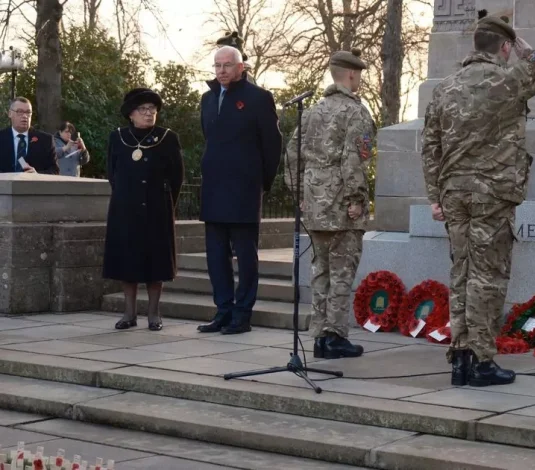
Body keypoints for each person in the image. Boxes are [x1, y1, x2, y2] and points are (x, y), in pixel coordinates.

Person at [421, 11, 535, 387]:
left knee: (461, 273)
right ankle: (482, 361)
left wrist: (434, 195)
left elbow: (429, 146)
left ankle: (459, 358)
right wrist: (524, 50)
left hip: (455, 193)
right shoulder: (509, 79)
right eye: (509, 46)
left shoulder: (445, 87)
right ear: (504, 47)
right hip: (492, 193)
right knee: (487, 277)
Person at [284, 49, 375, 359]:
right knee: (341, 273)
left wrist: (300, 194)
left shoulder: (311, 112)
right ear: (350, 74)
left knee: (320, 272)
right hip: (341, 208)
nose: (359, 79)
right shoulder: (355, 112)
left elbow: (292, 155)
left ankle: (320, 336)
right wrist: (357, 199)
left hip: (315, 208)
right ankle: (334, 336)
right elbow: (355, 160)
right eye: (358, 74)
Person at [196, 46, 282, 335]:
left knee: (245, 257)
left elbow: (272, 145)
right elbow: (209, 139)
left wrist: (261, 184)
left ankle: (242, 314)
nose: (221, 71)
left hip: (244, 190)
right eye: (217, 65)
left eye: (227, 65)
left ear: (240, 67)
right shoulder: (207, 99)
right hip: (214, 189)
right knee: (216, 256)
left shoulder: (259, 98)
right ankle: (223, 310)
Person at [102, 88, 185, 331]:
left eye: (152, 110)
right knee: (127, 261)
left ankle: (153, 314)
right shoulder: (117, 137)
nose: (149, 114)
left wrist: (167, 203)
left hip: (156, 208)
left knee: (155, 262)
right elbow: (112, 172)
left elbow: (177, 176)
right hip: (125, 209)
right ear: (131, 114)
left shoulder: (167, 137)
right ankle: (129, 313)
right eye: (143, 110)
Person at [0, 97, 58, 174]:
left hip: (35, 185)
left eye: (28, 112)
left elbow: (55, 170)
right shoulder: (1, 137)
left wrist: (37, 175)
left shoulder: (46, 140)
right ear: (10, 114)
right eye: (19, 111)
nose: (25, 116)